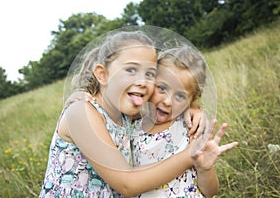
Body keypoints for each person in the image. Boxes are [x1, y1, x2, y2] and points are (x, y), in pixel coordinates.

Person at [39, 29, 211, 198]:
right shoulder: (81, 113)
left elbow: (164, 106)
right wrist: (188, 156)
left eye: (150, 74)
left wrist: (192, 106)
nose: (142, 82)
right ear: (102, 75)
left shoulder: (126, 115)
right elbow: (127, 185)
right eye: (131, 70)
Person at [131, 45, 238, 198]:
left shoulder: (190, 129)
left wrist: (204, 169)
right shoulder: (132, 127)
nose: (167, 101)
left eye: (180, 96)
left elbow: (210, 192)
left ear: (192, 99)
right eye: (161, 88)